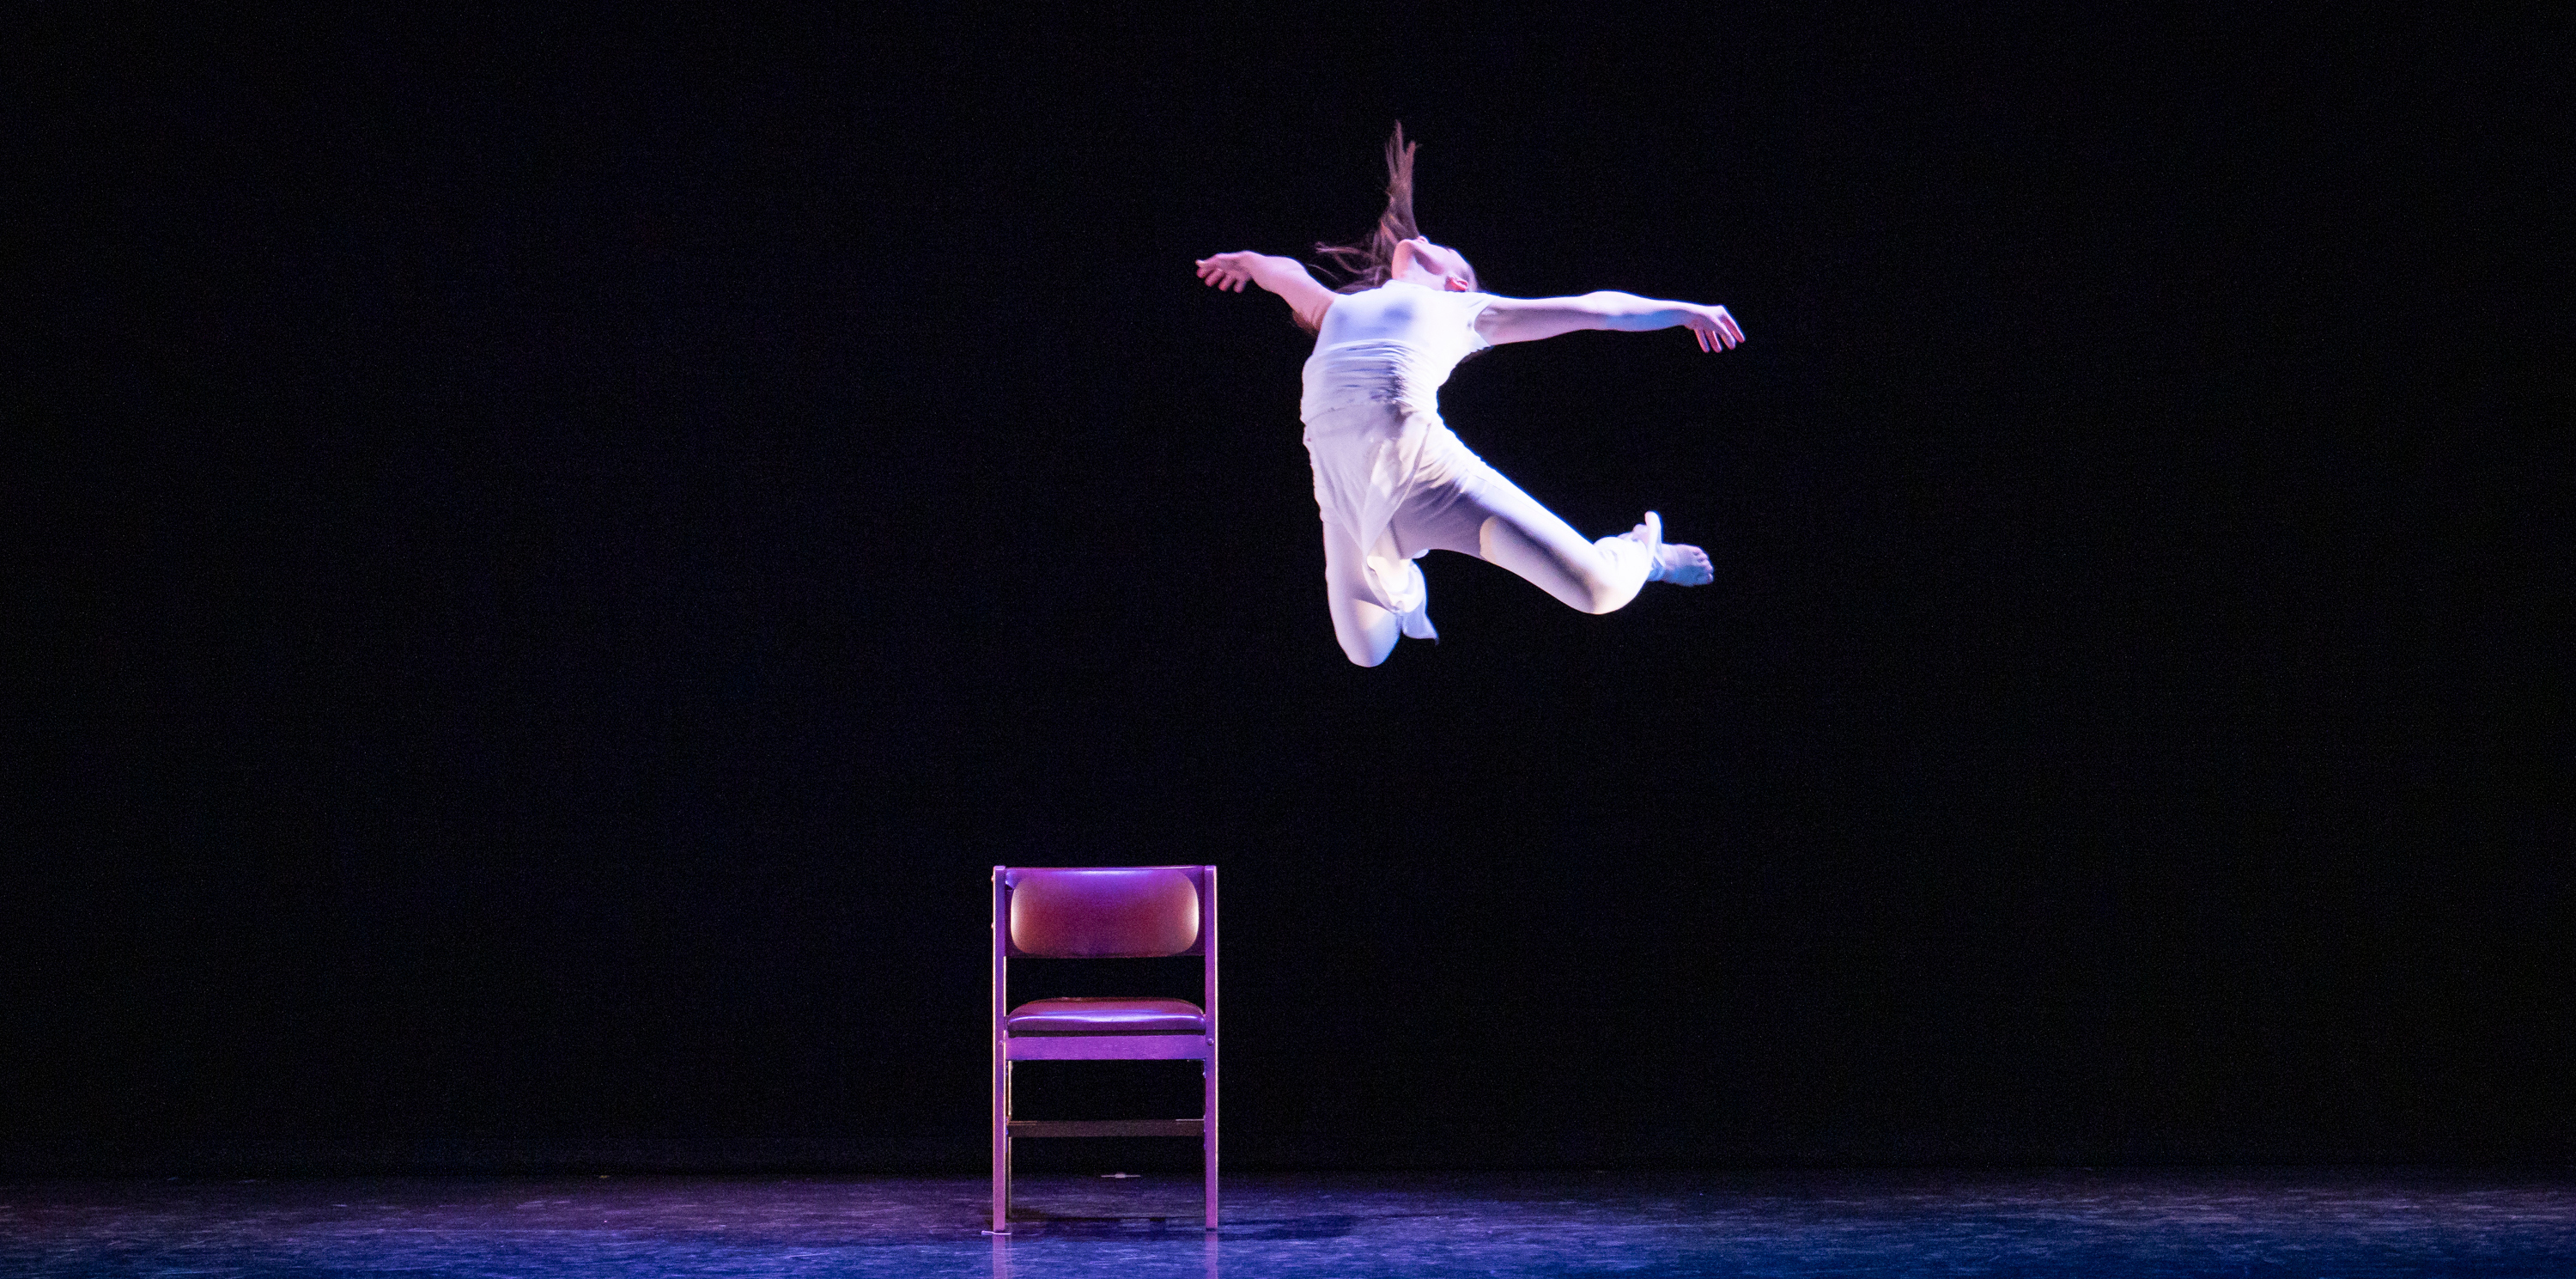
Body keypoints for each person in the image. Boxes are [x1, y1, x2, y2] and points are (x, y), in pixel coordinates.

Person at [1195, 125, 1745, 667]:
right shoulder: (1340, 310)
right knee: (1365, 652)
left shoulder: (1464, 311)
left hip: (1432, 479)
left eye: (1443, 249)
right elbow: (1287, 274)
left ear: (1459, 285)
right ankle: (1403, 570)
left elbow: (1595, 309)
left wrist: (1686, 312)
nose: (1425, 239)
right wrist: (1250, 264)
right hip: (1345, 493)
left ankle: (1648, 558)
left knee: (1598, 593)